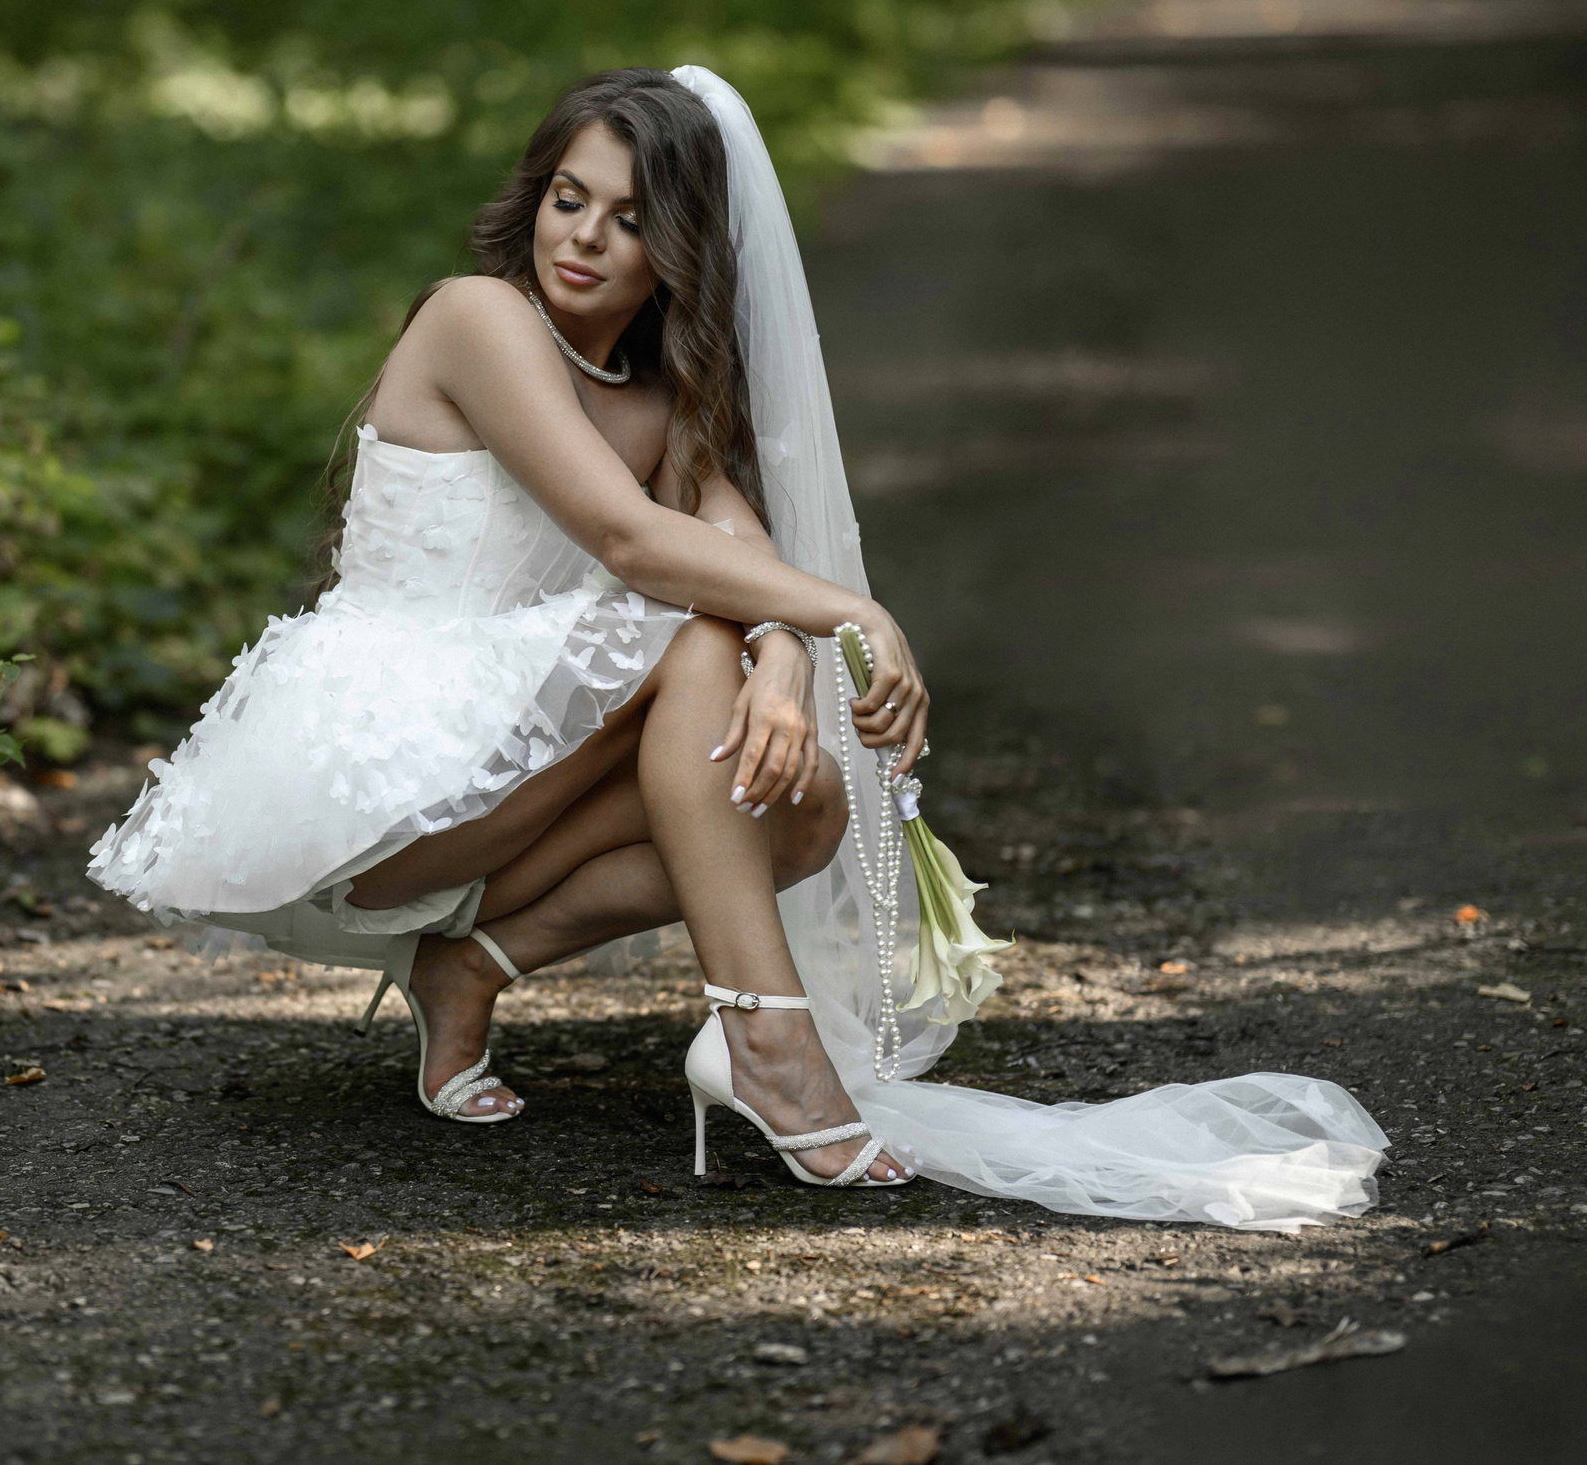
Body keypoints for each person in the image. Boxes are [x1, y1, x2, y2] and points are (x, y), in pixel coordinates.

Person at [90, 68, 1384, 1225]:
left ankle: (469, 972)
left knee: (801, 813)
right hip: (380, 776)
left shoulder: (660, 402)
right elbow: (638, 546)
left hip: (500, 802)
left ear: (682, 250)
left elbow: (743, 566)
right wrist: (847, 620)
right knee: (697, 648)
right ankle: (768, 1045)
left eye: (633, 218)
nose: (588, 237)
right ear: (533, 201)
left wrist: (777, 643)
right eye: (569, 199)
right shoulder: (475, 319)